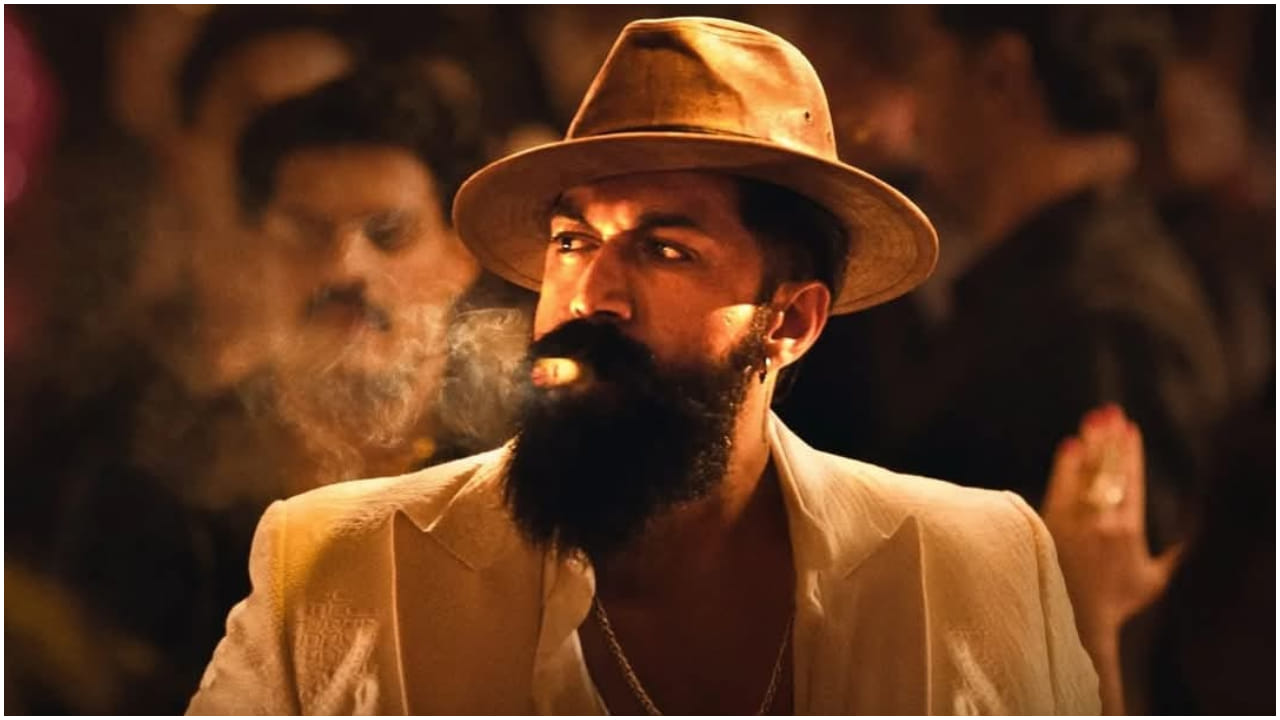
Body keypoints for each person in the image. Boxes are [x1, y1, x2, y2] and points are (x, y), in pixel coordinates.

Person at [188, 18, 1099, 714]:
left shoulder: (977, 563)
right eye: (572, 241)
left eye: (666, 251)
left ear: (791, 320)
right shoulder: (333, 569)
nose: (591, 296)